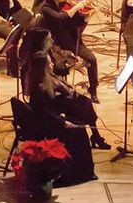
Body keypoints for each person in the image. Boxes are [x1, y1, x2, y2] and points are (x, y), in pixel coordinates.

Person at [23, 29, 103, 185]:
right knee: (78, 132)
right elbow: (43, 111)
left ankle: (84, 169)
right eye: (49, 39)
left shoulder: (42, 69)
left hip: (51, 116)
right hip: (46, 125)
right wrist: (62, 121)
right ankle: (79, 174)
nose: (52, 42)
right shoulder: (39, 82)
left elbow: (53, 82)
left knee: (81, 114)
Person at [40, 0, 99, 102]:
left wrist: (87, 16)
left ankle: (93, 89)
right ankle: (61, 90)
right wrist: (76, 6)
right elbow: (61, 18)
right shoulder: (46, 8)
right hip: (55, 45)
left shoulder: (66, 5)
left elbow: (78, 20)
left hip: (72, 42)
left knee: (92, 59)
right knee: (59, 66)